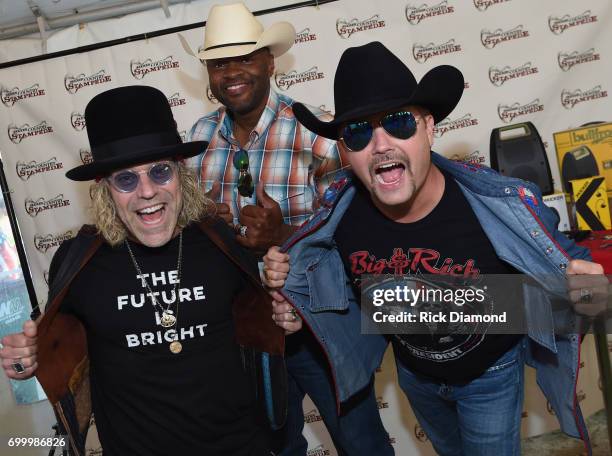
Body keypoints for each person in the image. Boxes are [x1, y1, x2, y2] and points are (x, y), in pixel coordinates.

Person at [263, 41, 604, 456]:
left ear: (429, 128)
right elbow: (334, 296)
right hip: (416, 377)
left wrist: (585, 289)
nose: (381, 144)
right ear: (344, 152)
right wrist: (293, 299)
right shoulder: (338, 218)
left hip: (491, 375)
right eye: (358, 133)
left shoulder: (496, 205)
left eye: (400, 123)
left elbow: (576, 274)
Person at [0, 85, 294, 456]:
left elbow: (265, 322)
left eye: (159, 172)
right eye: (126, 179)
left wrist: (286, 311)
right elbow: (58, 349)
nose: (147, 192)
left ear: (181, 173)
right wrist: (29, 361)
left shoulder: (220, 242)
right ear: (103, 188)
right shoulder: (78, 261)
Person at [189, 3, 393, 455]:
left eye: (244, 58)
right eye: (220, 63)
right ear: (208, 74)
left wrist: (284, 237)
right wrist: (212, 229)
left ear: (270, 62)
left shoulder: (317, 133)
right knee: (275, 447)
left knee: (361, 443)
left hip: (318, 325)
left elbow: (360, 235)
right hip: (245, 330)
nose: (232, 73)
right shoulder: (199, 139)